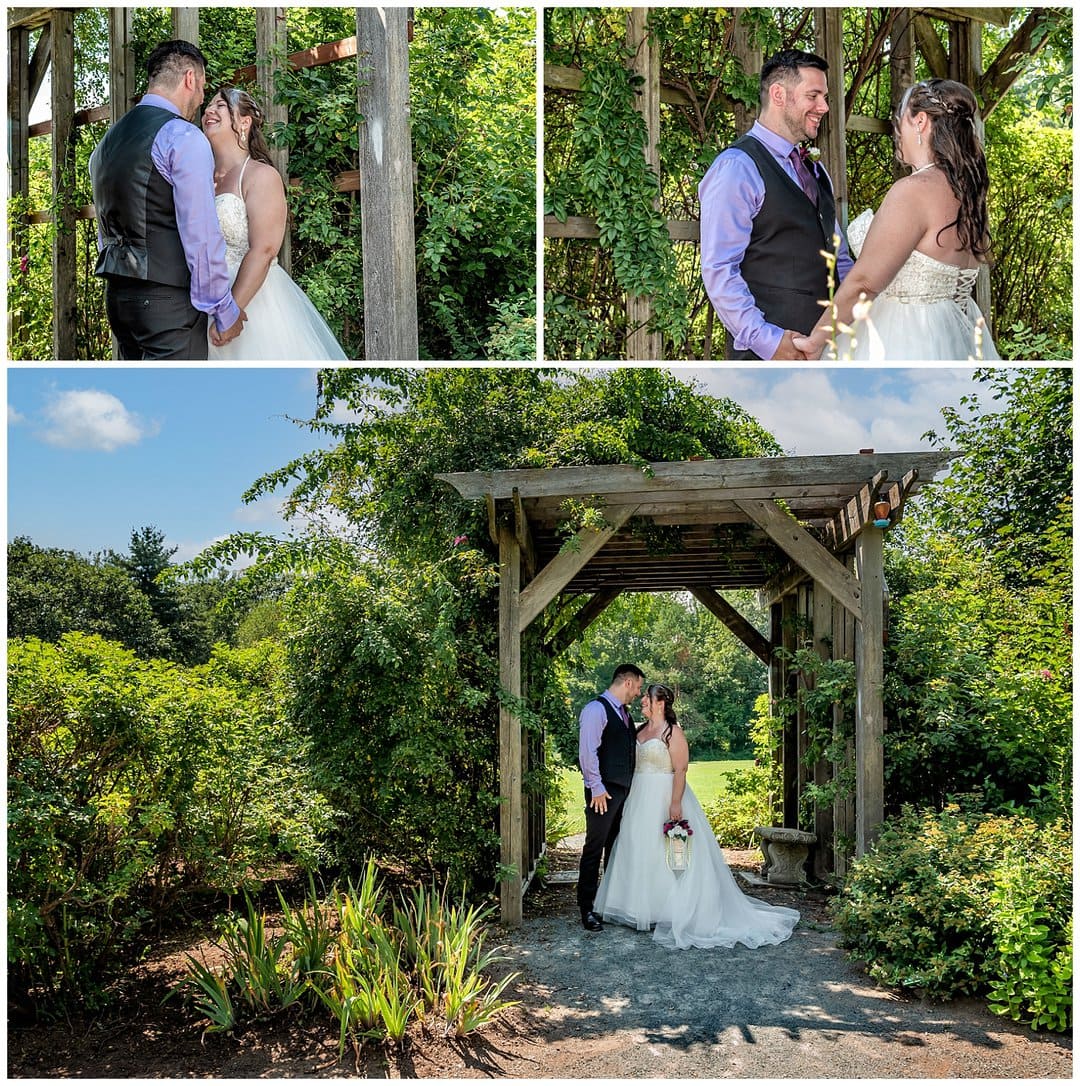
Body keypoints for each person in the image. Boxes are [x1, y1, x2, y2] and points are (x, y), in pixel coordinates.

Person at [793, 79, 999, 361]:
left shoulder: (913, 191)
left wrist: (817, 339)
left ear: (921, 121)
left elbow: (865, 282)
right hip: (957, 334)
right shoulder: (970, 193)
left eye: (900, 119)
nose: (897, 130)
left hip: (902, 338)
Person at [594, 684, 800, 950]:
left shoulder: (672, 732)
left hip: (664, 796)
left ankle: (667, 909)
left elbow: (680, 770)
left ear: (661, 703)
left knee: (668, 852)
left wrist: (676, 803)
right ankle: (635, 906)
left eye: (647, 697)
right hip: (638, 797)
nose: (642, 700)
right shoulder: (640, 730)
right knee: (637, 846)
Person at [90, 40, 245, 359]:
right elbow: (200, 235)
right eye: (203, 88)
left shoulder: (107, 142)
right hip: (168, 306)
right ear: (190, 79)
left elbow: (104, 230)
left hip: (118, 300)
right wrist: (223, 309)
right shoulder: (183, 137)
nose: (202, 99)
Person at [699, 49, 853, 360]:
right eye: (814, 96)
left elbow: (840, 258)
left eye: (825, 97)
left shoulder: (816, 170)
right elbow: (719, 269)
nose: (824, 107)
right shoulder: (737, 167)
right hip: (767, 359)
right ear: (778, 94)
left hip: (828, 352)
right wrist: (768, 341)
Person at [201, 85, 347, 360]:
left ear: (244, 122)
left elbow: (265, 249)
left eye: (220, 106)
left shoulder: (260, 175)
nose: (209, 110)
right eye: (208, 106)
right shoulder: (200, 177)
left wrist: (231, 311)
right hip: (202, 299)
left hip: (251, 301)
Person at [576, 663, 645, 932]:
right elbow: (587, 753)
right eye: (638, 687)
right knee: (595, 847)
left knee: (615, 849)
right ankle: (587, 908)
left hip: (623, 792)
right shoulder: (596, 710)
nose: (638, 693)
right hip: (602, 793)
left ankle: (608, 903)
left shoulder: (624, 714)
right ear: (627, 682)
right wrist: (596, 787)